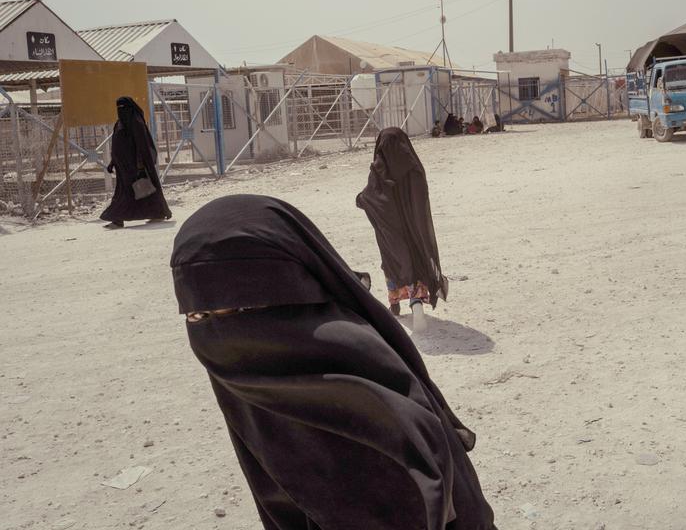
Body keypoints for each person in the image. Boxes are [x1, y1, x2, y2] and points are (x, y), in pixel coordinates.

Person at [170, 194, 496, 530]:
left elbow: (425, 498)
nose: (228, 336)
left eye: (242, 310)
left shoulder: (358, 366)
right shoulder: (256, 387)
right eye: (200, 314)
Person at [356, 128, 448, 330]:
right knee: (413, 261)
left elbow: (371, 197)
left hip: (390, 232)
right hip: (412, 229)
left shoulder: (379, 168)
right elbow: (421, 197)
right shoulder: (413, 168)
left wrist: (360, 200)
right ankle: (416, 304)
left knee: (392, 262)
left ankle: (395, 303)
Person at [100, 96, 171, 229]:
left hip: (135, 167)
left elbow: (142, 145)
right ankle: (158, 213)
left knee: (133, 192)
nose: (120, 110)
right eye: (118, 108)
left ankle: (118, 219)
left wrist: (140, 165)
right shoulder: (119, 123)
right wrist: (112, 162)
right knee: (139, 193)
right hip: (123, 168)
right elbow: (117, 146)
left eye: (123, 107)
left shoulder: (136, 122)